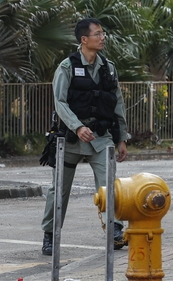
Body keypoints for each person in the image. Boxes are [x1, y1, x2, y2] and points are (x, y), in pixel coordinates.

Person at [40, 18, 130, 256]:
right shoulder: (67, 67)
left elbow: (117, 104)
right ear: (84, 39)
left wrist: (121, 138)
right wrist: (78, 127)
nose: (102, 38)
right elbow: (59, 102)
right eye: (98, 34)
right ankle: (50, 235)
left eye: (103, 34)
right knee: (59, 190)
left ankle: (115, 230)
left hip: (101, 137)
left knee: (109, 184)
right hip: (70, 138)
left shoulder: (108, 68)